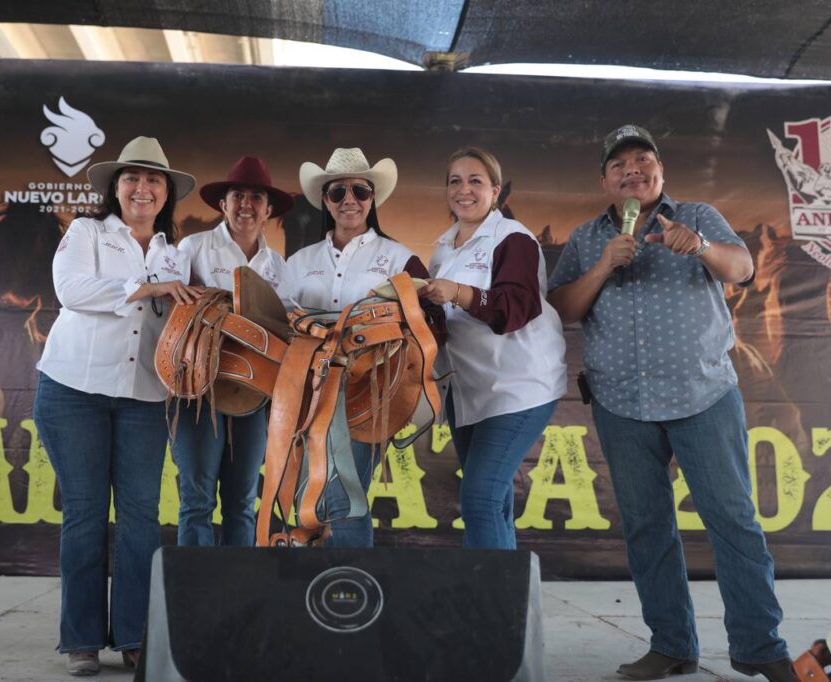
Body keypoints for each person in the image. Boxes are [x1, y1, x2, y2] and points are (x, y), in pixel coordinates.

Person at [546, 125, 796, 682]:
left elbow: (744, 269)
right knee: (646, 525)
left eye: (643, 159)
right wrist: (603, 266)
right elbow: (563, 306)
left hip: (701, 394)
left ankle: (760, 647)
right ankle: (672, 644)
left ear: (660, 170)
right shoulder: (589, 236)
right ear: (605, 179)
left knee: (733, 520)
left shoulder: (699, 215)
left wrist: (701, 246)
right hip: (621, 400)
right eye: (620, 164)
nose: (632, 169)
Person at [33, 136, 201, 677]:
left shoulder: (174, 253)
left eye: (154, 180)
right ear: (115, 187)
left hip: (145, 397)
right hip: (73, 390)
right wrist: (145, 286)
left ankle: (134, 636)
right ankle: (81, 639)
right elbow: (70, 290)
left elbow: (174, 327)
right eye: (132, 178)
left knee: (140, 518)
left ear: (167, 193)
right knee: (83, 513)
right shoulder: (86, 232)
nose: (143, 188)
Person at [287, 146, 445, 547]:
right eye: (338, 192)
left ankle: (348, 595)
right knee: (313, 496)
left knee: (346, 497)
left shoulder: (400, 258)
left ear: (373, 198)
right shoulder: (299, 262)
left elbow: (434, 326)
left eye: (360, 191)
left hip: (369, 394)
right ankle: (328, 592)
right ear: (325, 199)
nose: (349, 201)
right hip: (308, 394)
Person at [418, 146, 567, 550]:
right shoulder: (443, 249)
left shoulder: (513, 239)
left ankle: (485, 606)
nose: (463, 190)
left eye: (475, 181)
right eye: (455, 181)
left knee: (480, 499)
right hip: (470, 391)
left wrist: (460, 293)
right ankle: (507, 606)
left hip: (518, 388)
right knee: (494, 502)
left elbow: (515, 310)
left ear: (496, 191)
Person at [172, 156, 293, 546]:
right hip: (198, 390)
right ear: (222, 205)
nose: (246, 204)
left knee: (242, 501)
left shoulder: (277, 265)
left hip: (255, 394)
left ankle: (239, 598)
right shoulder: (194, 247)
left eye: (256, 197)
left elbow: (285, 331)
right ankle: (196, 598)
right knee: (197, 500)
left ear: (268, 209)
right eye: (237, 195)